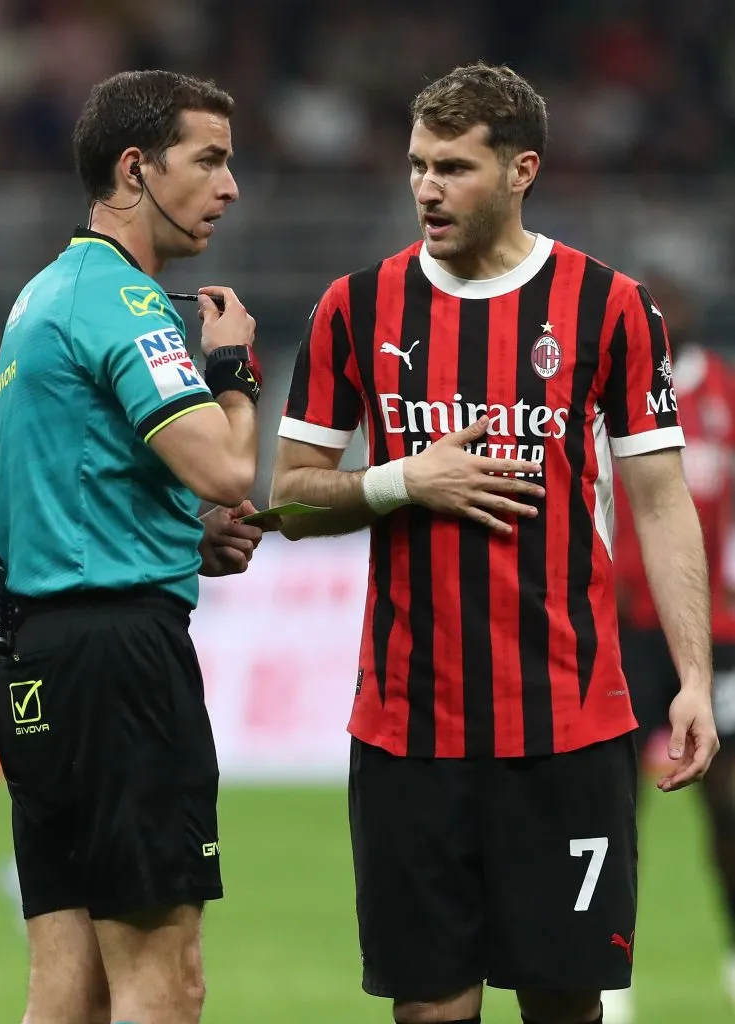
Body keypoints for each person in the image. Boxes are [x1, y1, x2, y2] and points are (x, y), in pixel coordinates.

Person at [269, 62, 719, 1024]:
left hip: (567, 729)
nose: (426, 188)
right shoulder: (355, 306)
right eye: (417, 165)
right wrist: (402, 480)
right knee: (431, 1011)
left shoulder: (609, 305)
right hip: (406, 731)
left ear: (522, 170)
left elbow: (659, 501)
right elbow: (291, 500)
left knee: (564, 1003)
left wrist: (689, 676)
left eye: (454, 168)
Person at [0, 70, 264, 1024]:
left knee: (69, 988)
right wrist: (233, 369)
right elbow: (226, 469)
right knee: (162, 980)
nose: (229, 187)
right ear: (134, 167)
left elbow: (78, 488)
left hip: (34, 659)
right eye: (210, 159)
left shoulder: (43, 295)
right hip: (117, 665)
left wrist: (178, 538)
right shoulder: (127, 303)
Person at [602, 272, 735, 1024]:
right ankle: (607, 971)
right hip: (624, 630)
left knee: (726, 808)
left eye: (672, 308)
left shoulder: (721, 390)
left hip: (718, 635)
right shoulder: (604, 395)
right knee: (614, 805)